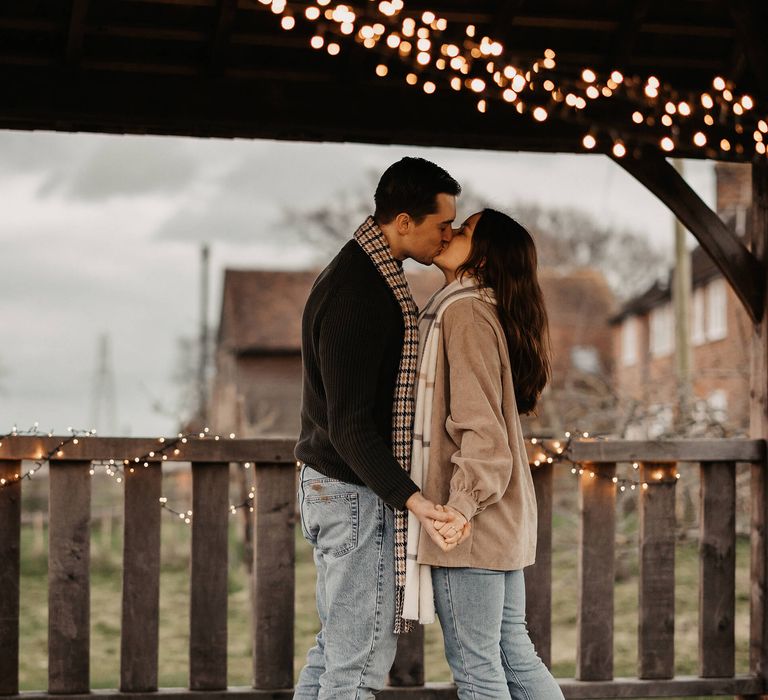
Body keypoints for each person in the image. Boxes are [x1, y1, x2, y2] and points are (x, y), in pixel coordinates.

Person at [293, 157, 463, 700]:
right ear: (405, 221)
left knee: (337, 652)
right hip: (351, 493)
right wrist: (411, 498)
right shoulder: (358, 294)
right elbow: (348, 425)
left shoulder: (366, 273)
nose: (449, 235)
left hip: (343, 490)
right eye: (443, 224)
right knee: (360, 663)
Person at [405, 208, 564, 699]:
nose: (450, 231)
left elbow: (481, 429)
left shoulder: (465, 312)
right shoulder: (478, 307)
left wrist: (459, 507)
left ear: (484, 255)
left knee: (478, 669)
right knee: (513, 654)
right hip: (496, 520)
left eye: (466, 229)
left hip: (470, 525)